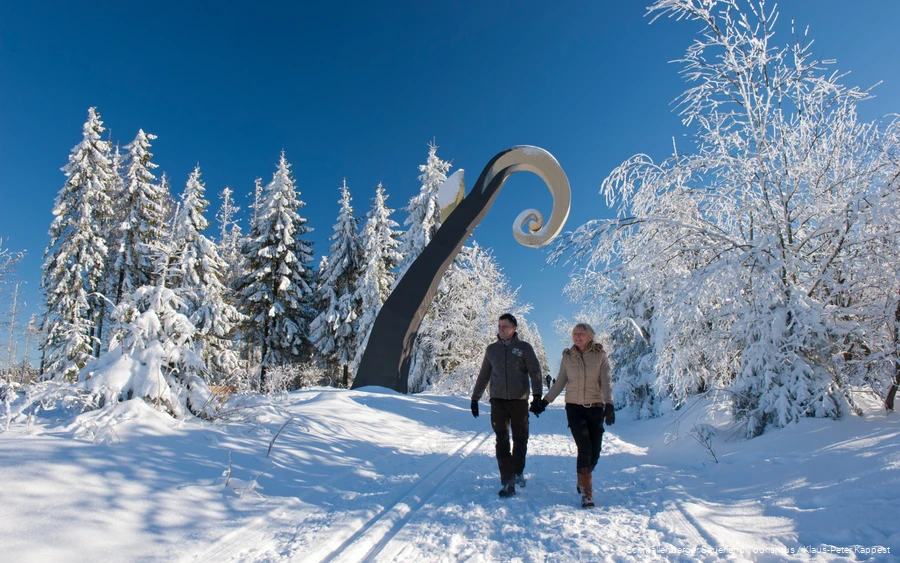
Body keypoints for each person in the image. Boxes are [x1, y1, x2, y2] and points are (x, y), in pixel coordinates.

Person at [537, 322, 614, 508]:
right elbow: (560, 382)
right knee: (585, 447)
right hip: (574, 409)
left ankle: (583, 476)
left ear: (590, 336)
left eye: (581, 333)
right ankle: (587, 494)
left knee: (595, 452)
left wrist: (609, 405)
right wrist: (545, 401)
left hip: (595, 408)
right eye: (575, 334)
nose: (577, 336)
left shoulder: (600, 356)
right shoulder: (567, 357)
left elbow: (606, 382)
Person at [470, 313, 543, 498]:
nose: (502, 329)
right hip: (498, 401)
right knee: (501, 441)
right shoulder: (491, 350)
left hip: (519, 401)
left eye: (506, 326)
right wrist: (475, 398)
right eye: (500, 326)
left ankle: (518, 471)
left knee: (520, 439)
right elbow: (484, 375)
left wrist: (537, 396)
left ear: (514, 328)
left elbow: (535, 371)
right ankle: (507, 481)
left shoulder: (524, 348)